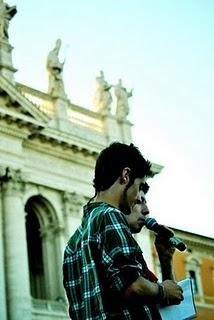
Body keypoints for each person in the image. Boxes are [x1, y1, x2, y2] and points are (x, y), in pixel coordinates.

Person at [63, 142, 183, 319]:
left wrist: (164, 263)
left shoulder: (72, 244)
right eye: (139, 185)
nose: (136, 197)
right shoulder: (110, 215)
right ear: (125, 175)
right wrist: (163, 290)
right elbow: (132, 285)